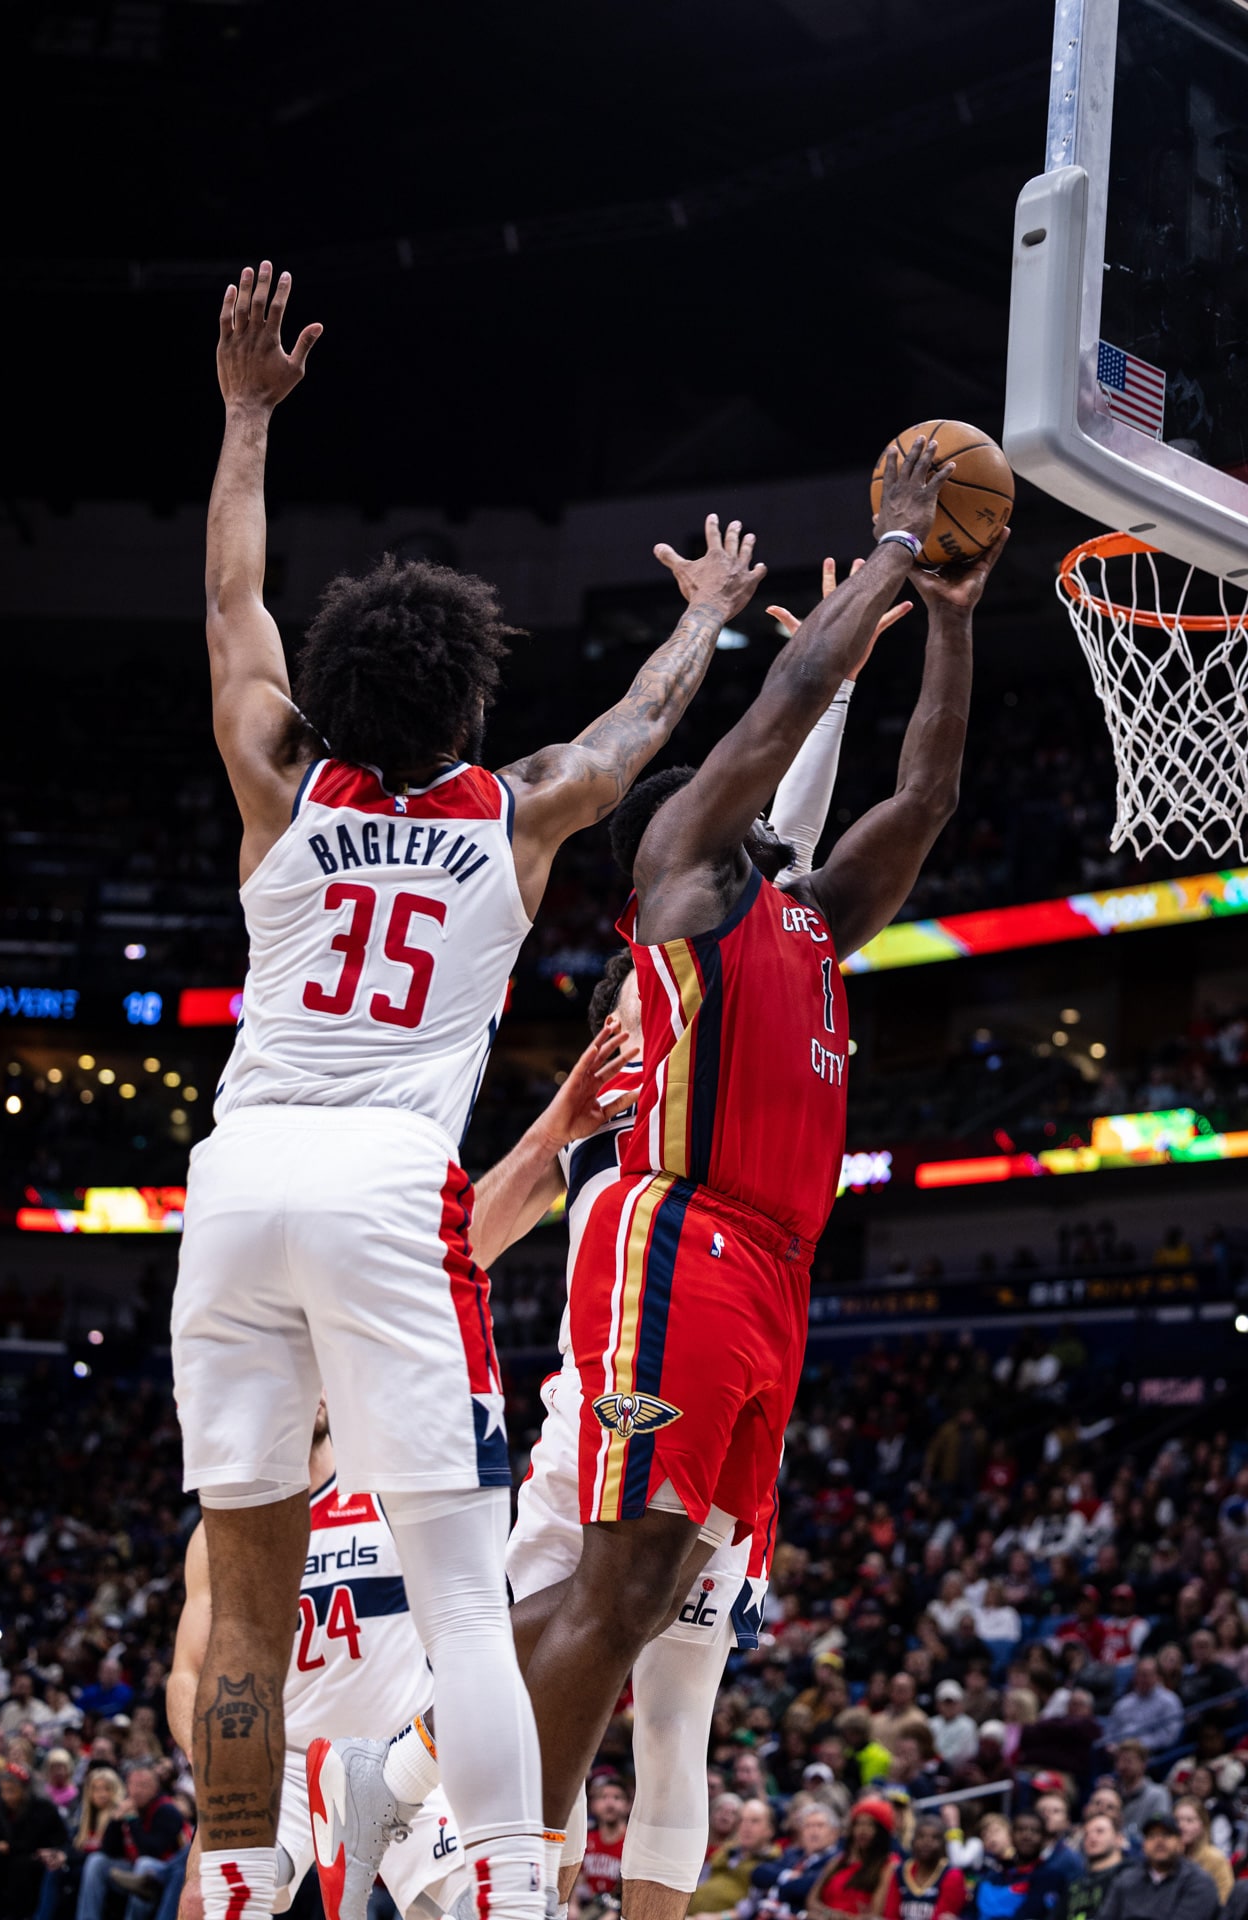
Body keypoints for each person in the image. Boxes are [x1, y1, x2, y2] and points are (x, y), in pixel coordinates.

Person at [172, 255, 768, 1920]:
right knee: (456, 1595)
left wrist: (242, 422)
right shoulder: (513, 813)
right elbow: (639, 731)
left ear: (340, 695)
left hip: (237, 1187)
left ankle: (232, 1883)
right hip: (381, 1193)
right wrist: (704, 619)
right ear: (467, 701)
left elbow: (233, 605)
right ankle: (504, 1882)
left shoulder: (277, 778)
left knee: (242, 1596)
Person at [521, 442, 1007, 1865]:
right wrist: (898, 548)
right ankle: (495, 1859)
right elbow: (788, 699)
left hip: (775, 1274)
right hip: (677, 1240)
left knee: (657, 1595)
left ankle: (471, 1805)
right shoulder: (683, 865)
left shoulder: (811, 919)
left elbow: (922, 806)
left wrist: (957, 632)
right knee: (612, 1600)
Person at [460, 553, 910, 1920]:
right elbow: (762, 859)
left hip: (722, 1296)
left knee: (673, 1697)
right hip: (629, 1330)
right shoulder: (652, 1017)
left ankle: (451, 1809)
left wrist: (833, 698)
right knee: (580, 1646)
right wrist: (817, 683)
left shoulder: (731, 948)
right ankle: (436, 1802)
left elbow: (780, 864)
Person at [169, 1402, 473, 1920]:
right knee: (203, 1902)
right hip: (281, 1762)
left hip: (400, 1751)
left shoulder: (387, 1490)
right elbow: (188, 1673)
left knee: (470, 1910)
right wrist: (214, 1763)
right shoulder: (223, 1530)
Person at [75, 1763, 187, 1920]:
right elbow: (108, 1850)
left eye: (144, 1785)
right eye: (133, 1785)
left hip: (159, 1873)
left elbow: (151, 1851)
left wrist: (133, 1820)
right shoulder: (127, 1807)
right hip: (129, 1869)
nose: (137, 1791)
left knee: (144, 1863)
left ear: (155, 1789)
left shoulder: (167, 1810)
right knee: (97, 1861)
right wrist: (115, 1820)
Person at [0, 1762, 71, 1920]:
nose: (5, 1796)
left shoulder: (42, 1808)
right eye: (2, 1790)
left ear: (24, 1790)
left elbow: (30, 1843)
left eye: (11, 1791)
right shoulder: (1, 1807)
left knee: (19, 1866)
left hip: (39, 1857)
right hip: (10, 1853)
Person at [1094, 1815, 1219, 1920]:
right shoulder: (1125, 1880)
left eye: (1166, 1835)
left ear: (1181, 1844)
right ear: (1143, 1846)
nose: (1159, 1841)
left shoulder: (1199, 1882)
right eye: (1152, 1836)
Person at [805, 1799, 897, 1920]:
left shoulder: (888, 1865)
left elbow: (876, 1913)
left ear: (881, 1830)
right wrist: (830, 1914)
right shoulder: (838, 1861)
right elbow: (811, 1900)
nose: (862, 1830)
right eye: (858, 1824)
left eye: (870, 1825)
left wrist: (843, 1917)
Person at [691, 1801, 781, 1916]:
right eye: (742, 1820)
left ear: (770, 1830)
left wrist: (721, 1917)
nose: (746, 1826)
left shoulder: (771, 1863)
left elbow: (752, 1907)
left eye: (754, 1821)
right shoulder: (727, 1851)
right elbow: (700, 1881)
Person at [973, 1810, 1065, 1920]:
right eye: (1021, 1830)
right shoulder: (993, 1874)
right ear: (1011, 1836)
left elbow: (1031, 1913)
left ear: (1044, 1838)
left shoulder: (1050, 1876)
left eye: (1034, 1831)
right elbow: (971, 1911)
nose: (1027, 1835)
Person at [883, 1815, 966, 1920]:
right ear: (912, 1841)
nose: (927, 1842)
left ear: (943, 1844)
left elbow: (942, 1916)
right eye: (921, 1836)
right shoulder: (900, 1871)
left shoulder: (953, 1875)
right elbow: (891, 1915)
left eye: (935, 1838)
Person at [1101, 1664, 1184, 1756]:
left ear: (1157, 1677)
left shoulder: (1169, 1700)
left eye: (1146, 1675)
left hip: (1151, 1753)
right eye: (1139, 1675)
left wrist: (1138, 1745)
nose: (1143, 1679)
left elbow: (1169, 1735)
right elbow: (1110, 1732)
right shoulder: (1123, 1703)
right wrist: (1111, 1745)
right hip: (1120, 1753)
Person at [578, 1777, 631, 1908]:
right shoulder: (586, 1839)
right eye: (603, 1797)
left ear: (628, 1805)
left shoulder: (632, 1844)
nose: (610, 1803)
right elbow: (578, 1880)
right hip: (587, 1909)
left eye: (617, 1798)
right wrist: (573, 1905)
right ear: (593, 1805)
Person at [1171, 1798, 1232, 1905]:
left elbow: (1225, 1900)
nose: (1181, 1826)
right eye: (1177, 1820)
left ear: (1202, 1825)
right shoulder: (1165, 1858)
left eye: (1189, 1820)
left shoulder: (1215, 1859)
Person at [1064, 1815, 1125, 1920]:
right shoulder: (1075, 1884)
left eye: (1100, 1831)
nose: (1091, 1837)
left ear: (1118, 1839)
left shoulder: (1129, 1876)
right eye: (1086, 1834)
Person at [1112, 1743, 1174, 1837]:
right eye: (1120, 1760)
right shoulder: (1112, 1794)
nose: (1123, 1765)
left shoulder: (1158, 1794)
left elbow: (1160, 1827)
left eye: (1129, 1760)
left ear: (1143, 1764)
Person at [928, 1684, 978, 1771]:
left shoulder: (968, 1725)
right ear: (938, 1705)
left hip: (958, 1771)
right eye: (945, 1703)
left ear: (960, 1704)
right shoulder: (931, 1723)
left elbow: (962, 1755)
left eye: (952, 1703)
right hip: (932, 1768)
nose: (949, 1707)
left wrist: (937, 1759)